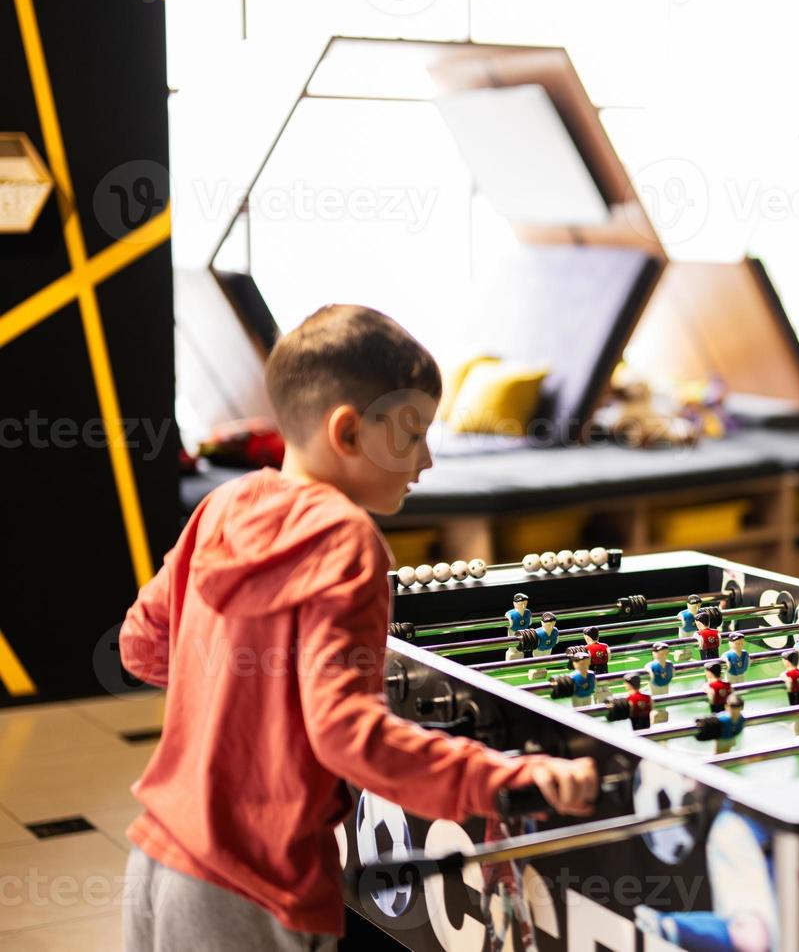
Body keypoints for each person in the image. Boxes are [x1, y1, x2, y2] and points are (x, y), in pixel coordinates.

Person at [117, 305, 597, 951]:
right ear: (347, 432)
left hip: (160, 855)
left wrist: (245, 696)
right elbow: (346, 735)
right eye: (412, 433)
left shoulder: (223, 504)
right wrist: (503, 780)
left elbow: (142, 646)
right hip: (253, 883)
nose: (427, 460)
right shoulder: (346, 540)